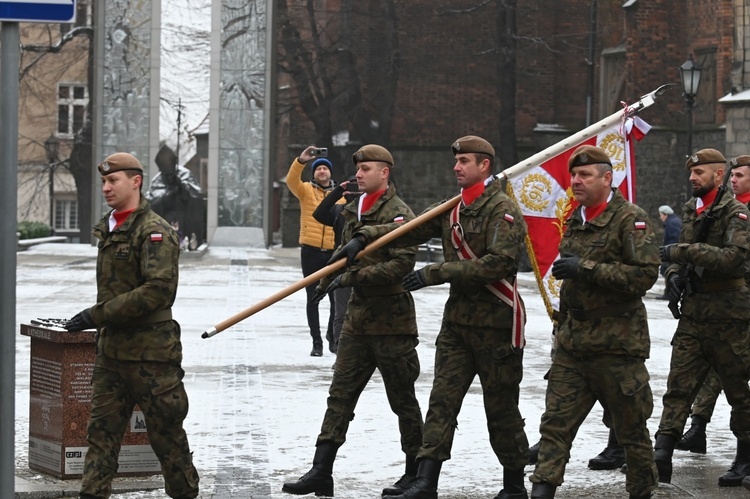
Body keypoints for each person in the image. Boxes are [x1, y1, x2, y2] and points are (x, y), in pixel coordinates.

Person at [331, 135, 530, 499]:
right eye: (456, 161)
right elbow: (409, 228)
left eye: (465, 161)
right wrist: (364, 236)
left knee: (500, 408)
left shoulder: (502, 210)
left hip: (495, 324)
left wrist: (435, 273)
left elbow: (499, 264)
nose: (457, 167)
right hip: (457, 325)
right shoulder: (453, 208)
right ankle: (426, 482)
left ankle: (514, 485)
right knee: (442, 402)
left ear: (484, 165)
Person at [282, 145, 424, 498]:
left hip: (391, 324)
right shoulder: (353, 209)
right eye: (357, 168)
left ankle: (415, 473)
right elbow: (338, 244)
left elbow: (401, 266)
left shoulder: (399, 214)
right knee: (339, 396)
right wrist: (332, 275)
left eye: (366, 169)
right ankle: (321, 470)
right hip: (358, 324)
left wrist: (352, 278)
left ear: (385, 172)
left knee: (403, 400)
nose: (358, 174)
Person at [64, 152, 199, 499]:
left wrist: (97, 315)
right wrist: (103, 320)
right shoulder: (109, 229)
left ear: (136, 182)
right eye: (104, 182)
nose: (106, 188)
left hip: (151, 356)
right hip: (112, 355)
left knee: (167, 438)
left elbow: (157, 291)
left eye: (114, 181)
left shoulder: (154, 231)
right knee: (100, 437)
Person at [529, 145, 660, 499]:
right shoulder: (575, 218)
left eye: (585, 175)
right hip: (574, 346)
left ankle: (642, 493)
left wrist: (584, 269)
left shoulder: (630, 219)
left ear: (607, 178)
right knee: (555, 427)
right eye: (574, 176)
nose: (576, 182)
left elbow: (644, 275)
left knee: (632, 433)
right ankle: (541, 493)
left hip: (616, 347)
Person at [655, 148, 750, 487]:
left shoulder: (735, 213)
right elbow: (677, 256)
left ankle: (744, 457)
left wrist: (681, 253)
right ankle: (662, 452)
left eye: (700, 172)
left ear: (718, 175)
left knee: (739, 391)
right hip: (694, 315)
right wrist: (674, 276)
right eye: (691, 173)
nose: (693, 177)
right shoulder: (692, 211)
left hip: (729, 317)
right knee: (678, 386)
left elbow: (732, 258)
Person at [286, 151, 339, 356]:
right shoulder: (305, 190)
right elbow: (291, 180)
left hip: (334, 251)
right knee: (313, 298)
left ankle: (332, 338)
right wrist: (300, 161)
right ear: (314, 173)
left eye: (325, 168)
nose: (322, 171)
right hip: (311, 251)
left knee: (336, 297)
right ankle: (316, 342)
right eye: (318, 168)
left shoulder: (340, 193)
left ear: (330, 173)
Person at [312, 175, 360, 360]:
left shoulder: (375, 211)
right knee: (341, 313)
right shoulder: (340, 211)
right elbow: (319, 213)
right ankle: (342, 354)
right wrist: (338, 191)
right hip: (342, 269)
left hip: (368, 269)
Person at [656, 205, 681, 300]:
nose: (660, 217)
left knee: (668, 271)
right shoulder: (673, 221)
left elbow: (675, 238)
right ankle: (668, 293)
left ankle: (669, 293)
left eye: (661, 215)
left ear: (665, 214)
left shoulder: (672, 223)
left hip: (671, 252)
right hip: (672, 251)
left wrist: (667, 250)